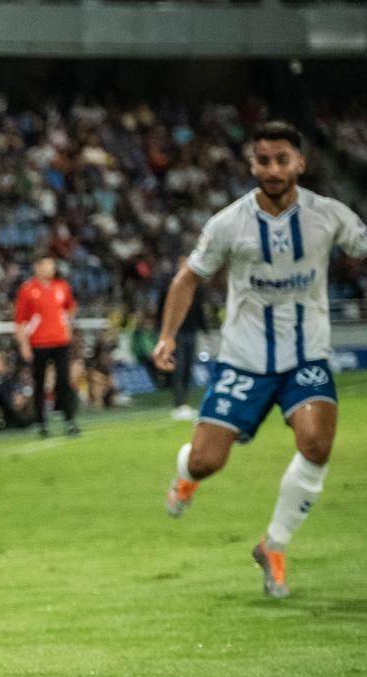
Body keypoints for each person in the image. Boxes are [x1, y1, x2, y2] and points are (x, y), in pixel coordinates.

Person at [155, 121, 367, 598]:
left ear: (300, 163)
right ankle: (188, 475)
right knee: (209, 460)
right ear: (252, 164)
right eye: (264, 161)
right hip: (243, 360)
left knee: (316, 444)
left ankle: (273, 544)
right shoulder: (228, 223)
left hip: (306, 356)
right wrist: (167, 336)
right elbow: (187, 277)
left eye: (282, 160)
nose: (273, 169)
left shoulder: (328, 215)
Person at [14, 257, 79, 437]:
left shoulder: (61, 287)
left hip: (60, 341)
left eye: (52, 265)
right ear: (37, 267)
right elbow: (20, 320)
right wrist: (24, 345)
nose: (51, 268)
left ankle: (69, 420)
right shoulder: (27, 290)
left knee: (64, 381)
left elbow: (71, 308)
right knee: (39, 383)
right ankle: (41, 422)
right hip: (38, 342)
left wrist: (66, 326)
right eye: (47, 265)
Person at [156, 256, 207, 421]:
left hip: (191, 332)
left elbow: (199, 310)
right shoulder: (171, 287)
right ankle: (178, 404)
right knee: (178, 369)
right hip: (177, 334)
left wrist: (204, 329)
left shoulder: (196, 288)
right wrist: (164, 335)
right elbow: (162, 311)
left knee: (187, 369)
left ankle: (184, 403)